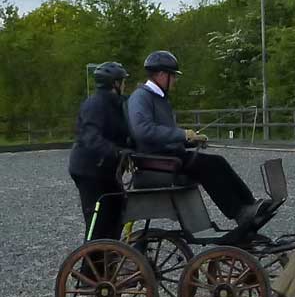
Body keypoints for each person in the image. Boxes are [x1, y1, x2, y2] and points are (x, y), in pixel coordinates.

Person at [127, 50, 270, 232]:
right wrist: (182, 135)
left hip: (167, 155)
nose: (175, 81)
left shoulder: (158, 98)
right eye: (173, 76)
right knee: (208, 166)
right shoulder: (141, 97)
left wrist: (191, 141)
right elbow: (143, 131)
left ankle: (249, 205)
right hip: (157, 159)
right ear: (162, 74)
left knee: (218, 161)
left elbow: (165, 134)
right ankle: (239, 212)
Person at [69, 61, 130, 242]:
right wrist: (117, 152)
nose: (125, 85)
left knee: (119, 209)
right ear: (115, 84)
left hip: (107, 169)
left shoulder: (119, 103)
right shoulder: (94, 105)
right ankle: (89, 266)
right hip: (89, 171)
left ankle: (109, 256)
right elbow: (90, 138)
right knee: (98, 221)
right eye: (123, 81)